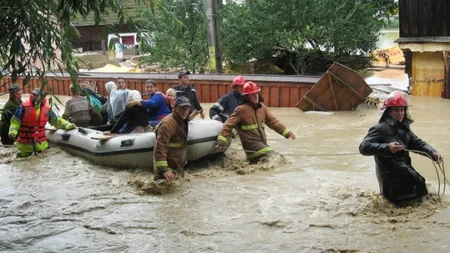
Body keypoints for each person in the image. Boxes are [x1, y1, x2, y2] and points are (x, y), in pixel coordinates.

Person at [359, 91, 441, 205]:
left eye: (402, 110)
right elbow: (363, 147)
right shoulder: (380, 129)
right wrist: (387, 147)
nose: (400, 113)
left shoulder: (404, 128)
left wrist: (433, 153)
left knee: (418, 186)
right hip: (389, 174)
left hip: (403, 168)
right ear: (388, 112)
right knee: (417, 184)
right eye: (396, 110)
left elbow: (418, 144)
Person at [215, 82, 296, 162]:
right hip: (251, 147)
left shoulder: (263, 108)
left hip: (261, 145)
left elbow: (274, 123)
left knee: (272, 161)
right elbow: (228, 125)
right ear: (246, 97)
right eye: (252, 94)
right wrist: (221, 142)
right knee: (274, 157)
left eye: (256, 93)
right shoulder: (241, 110)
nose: (255, 96)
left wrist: (288, 133)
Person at [8, 88, 75, 157]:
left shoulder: (46, 109)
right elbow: (15, 122)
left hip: (41, 144)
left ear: (42, 97)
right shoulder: (23, 107)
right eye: (33, 94)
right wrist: (12, 132)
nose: (34, 96)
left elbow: (56, 121)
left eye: (36, 95)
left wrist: (68, 125)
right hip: (25, 145)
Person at [153, 97, 191, 181]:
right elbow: (160, 147)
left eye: (187, 108)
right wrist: (163, 170)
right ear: (175, 108)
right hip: (166, 173)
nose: (185, 111)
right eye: (182, 108)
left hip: (176, 170)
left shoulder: (181, 121)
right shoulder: (168, 124)